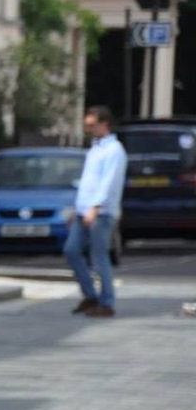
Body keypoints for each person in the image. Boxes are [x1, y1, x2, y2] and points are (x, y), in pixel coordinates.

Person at [64, 105, 127, 317]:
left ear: (105, 124)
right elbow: (88, 183)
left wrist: (95, 207)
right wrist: (78, 208)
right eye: (87, 125)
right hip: (84, 210)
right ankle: (90, 295)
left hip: (101, 212)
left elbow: (108, 182)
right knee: (71, 250)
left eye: (92, 125)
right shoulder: (96, 148)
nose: (89, 129)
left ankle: (106, 302)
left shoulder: (114, 150)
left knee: (99, 257)